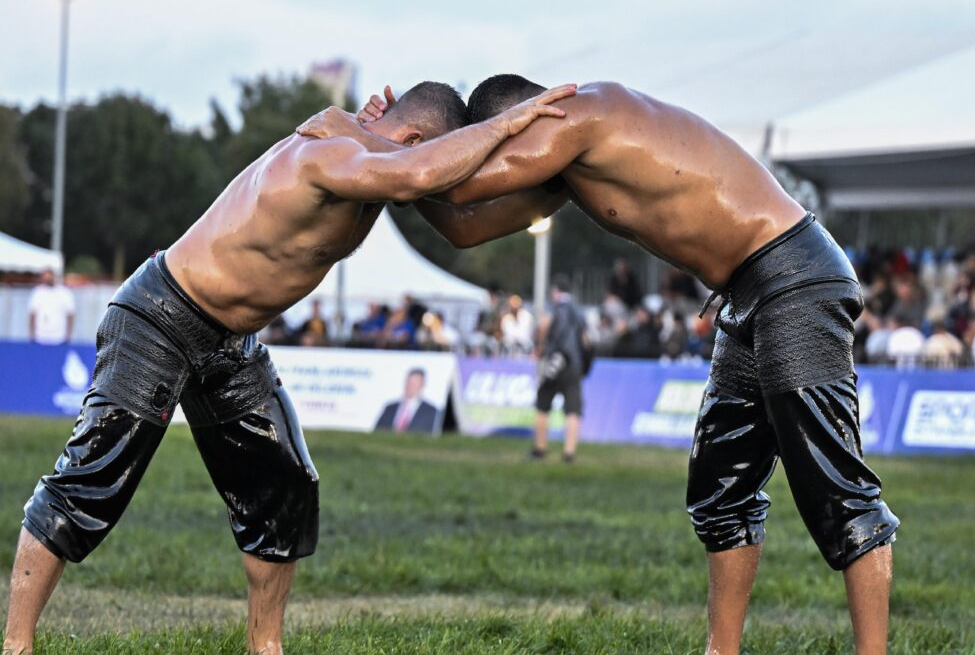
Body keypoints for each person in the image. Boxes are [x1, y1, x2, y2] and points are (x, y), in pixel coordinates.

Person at [2, 80, 576, 655]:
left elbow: (461, 221)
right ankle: (17, 644)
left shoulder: (371, 158)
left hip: (230, 338)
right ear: (416, 139)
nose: (446, 174)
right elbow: (423, 174)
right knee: (92, 480)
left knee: (285, 486)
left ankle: (264, 646)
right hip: (162, 314)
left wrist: (564, 177)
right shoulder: (330, 152)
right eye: (439, 154)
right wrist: (502, 124)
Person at [341, 75, 899, 655]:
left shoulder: (581, 113)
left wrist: (375, 142)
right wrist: (392, 157)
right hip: (747, 291)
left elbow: (449, 188)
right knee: (720, 485)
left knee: (836, 489)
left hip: (795, 276)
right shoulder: (565, 171)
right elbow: (465, 226)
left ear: (526, 120)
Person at [531, 276, 588, 463]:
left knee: (542, 405)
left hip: (554, 363)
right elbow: (587, 339)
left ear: (555, 291)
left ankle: (540, 449)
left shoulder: (553, 307)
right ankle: (569, 453)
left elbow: (544, 324)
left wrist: (539, 345)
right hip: (573, 365)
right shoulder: (579, 311)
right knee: (573, 409)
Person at [374, 368, 439, 433]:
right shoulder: (390, 408)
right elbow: (377, 432)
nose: (410, 386)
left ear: (422, 385)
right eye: (408, 382)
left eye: (414, 384)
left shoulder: (432, 412)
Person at [27, 268, 75, 345]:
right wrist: (32, 335)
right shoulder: (37, 292)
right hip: (40, 337)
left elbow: (70, 315)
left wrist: (68, 336)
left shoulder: (64, 293)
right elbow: (32, 315)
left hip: (59, 337)